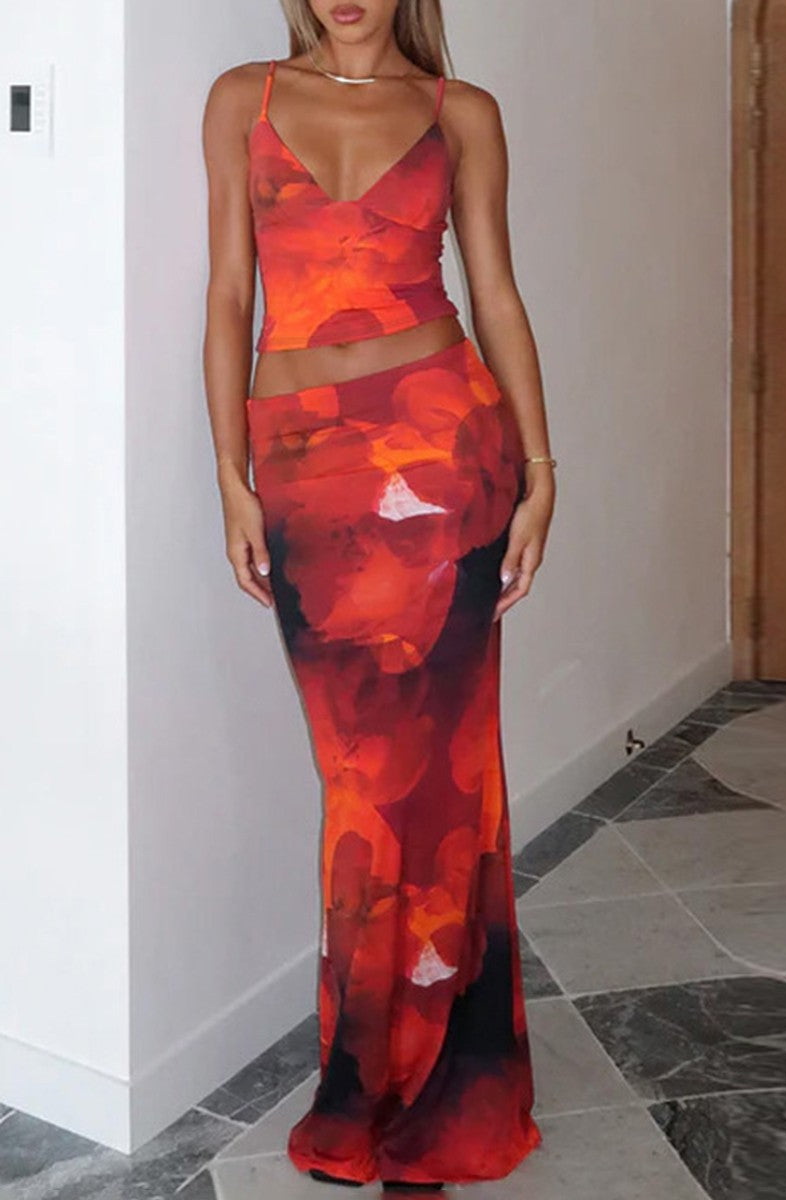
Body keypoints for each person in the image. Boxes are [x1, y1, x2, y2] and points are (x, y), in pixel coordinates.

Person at [201, 0, 555, 1189]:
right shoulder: (244, 99)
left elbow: (494, 295)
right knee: (359, 782)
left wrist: (541, 470)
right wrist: (230, 477)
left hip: (446, 451)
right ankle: (366, 1081)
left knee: (445, 777)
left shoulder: (461, 113)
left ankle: (434, 1102)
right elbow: (229, 295)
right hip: (307, 470)